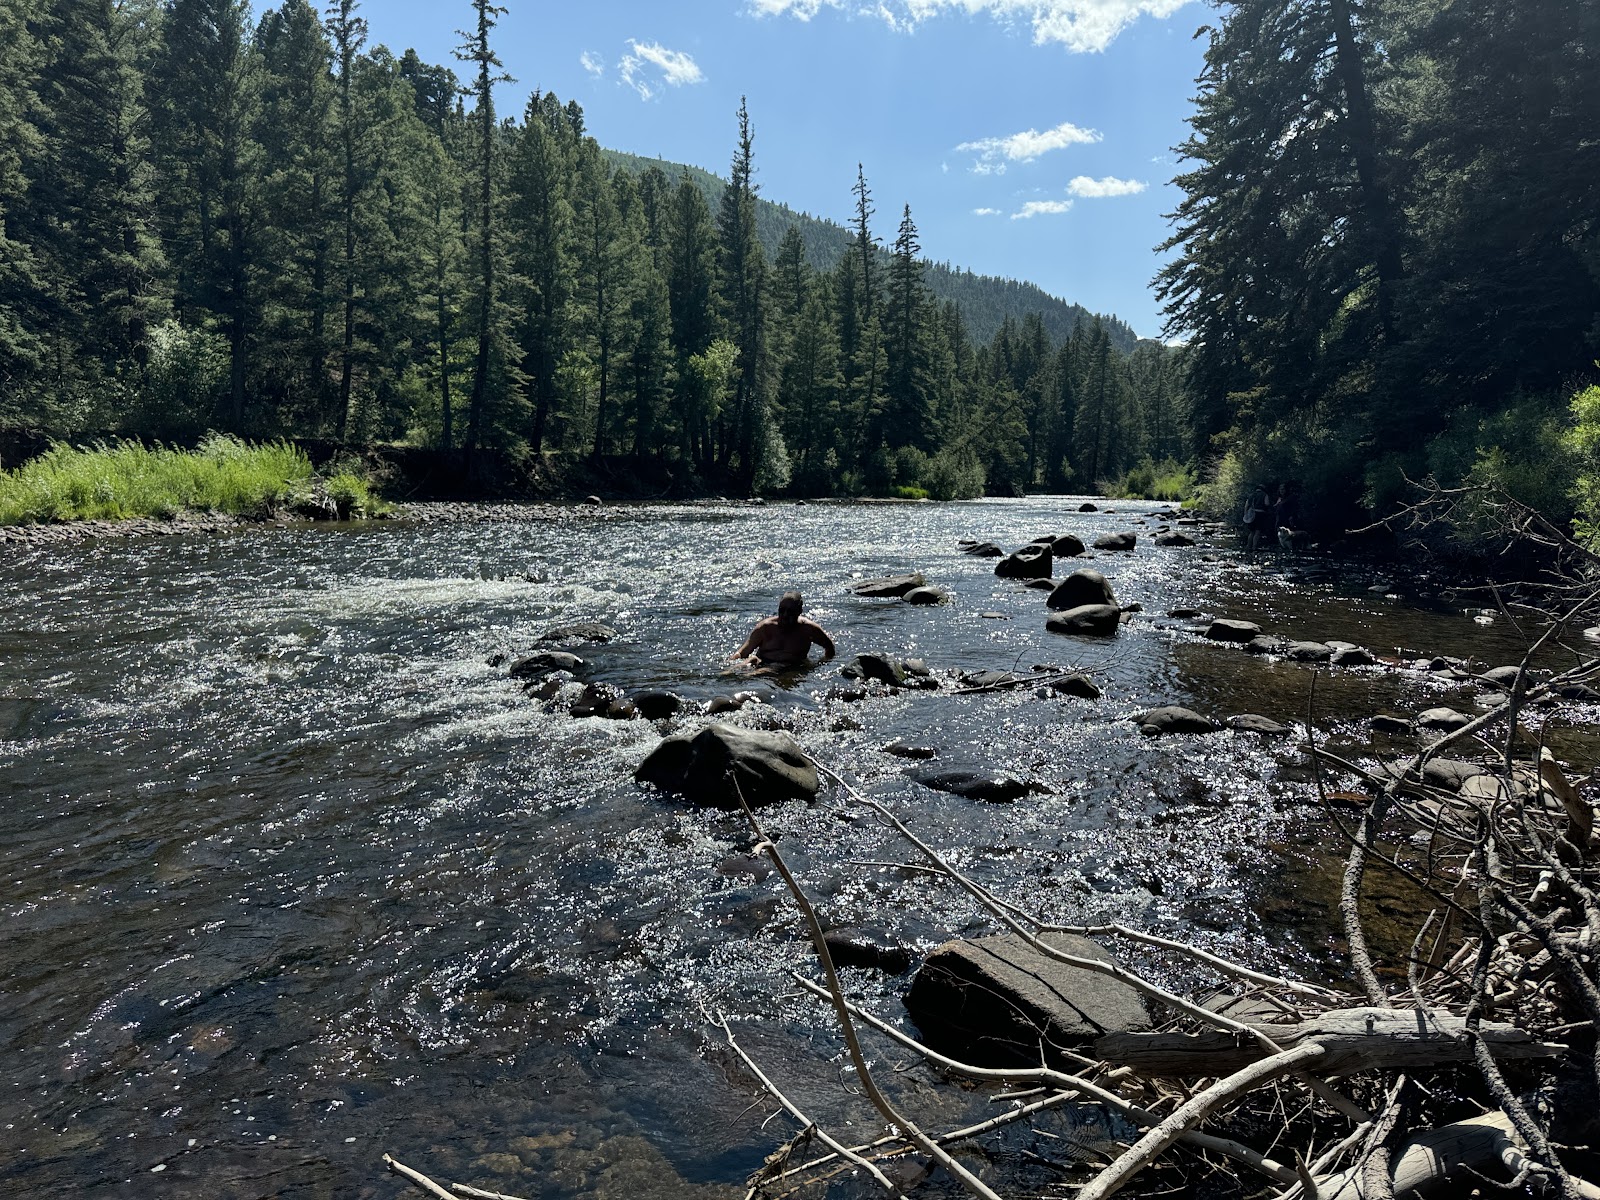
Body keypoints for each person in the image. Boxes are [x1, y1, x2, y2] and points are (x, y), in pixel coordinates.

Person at [731, 591, 836, 668]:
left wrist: (816, 666)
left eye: (790, 611)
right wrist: (735, 658)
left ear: (799, 611)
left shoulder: (809, 629)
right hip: (763, 664)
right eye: (782, 610)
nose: (785, 615)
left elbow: (830, 649)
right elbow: (743, 652)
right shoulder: (765, 627)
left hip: (791, 668)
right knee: (752, 661)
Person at [1242, 483, 1272, 553]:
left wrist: (1246, 514)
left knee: (1251, 532)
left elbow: (1246, 505)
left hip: (1251, 514)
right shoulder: (1264, 494)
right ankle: (1254, 547)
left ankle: (1248, 546)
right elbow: (1267, 503)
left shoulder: (1251, 495)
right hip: (1260, 514)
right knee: (1258, 531)